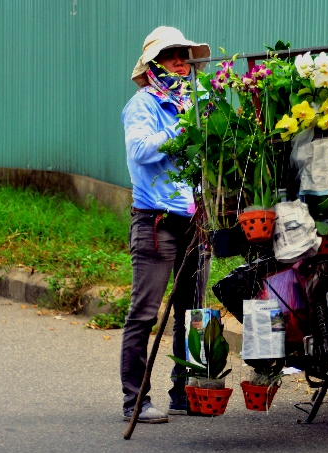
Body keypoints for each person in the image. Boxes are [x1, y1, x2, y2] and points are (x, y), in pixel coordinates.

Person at [120, 26, 210, 423]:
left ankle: (187, 392)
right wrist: (182, 127)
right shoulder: (142, 105)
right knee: (145, 311)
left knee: (194, 311)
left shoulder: (201, 102)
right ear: (155, 63)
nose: (180, 60)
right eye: (172, 54)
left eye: (184, 53)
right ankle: (135, 401)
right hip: (156, 220)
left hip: (197, 220)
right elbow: (139, 151)